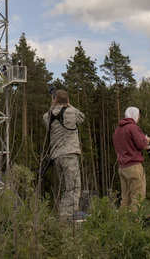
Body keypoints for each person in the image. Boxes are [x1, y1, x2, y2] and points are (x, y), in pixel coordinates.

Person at [42, 90, 85, 221]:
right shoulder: (71, 112)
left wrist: (53, 105)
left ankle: (63, 213)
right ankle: (67, 217)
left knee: (65, 187)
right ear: (67, 100)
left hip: (57, 157)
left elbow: (47, 117)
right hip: (69, 155)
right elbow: (82, 117)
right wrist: (68, 105)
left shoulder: (48, 115)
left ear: (54, 100)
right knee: (74, 186)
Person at [113, 106, 150, 211]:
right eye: (138, 115)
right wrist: (146, 140)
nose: (138, 118)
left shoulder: (118, 129)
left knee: (125, 199)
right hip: (134, 166)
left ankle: (122, 225)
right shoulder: (133, 127)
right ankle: (134, 225)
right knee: (137, 198)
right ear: (135, 115)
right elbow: (140, 145)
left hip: (122, 167)